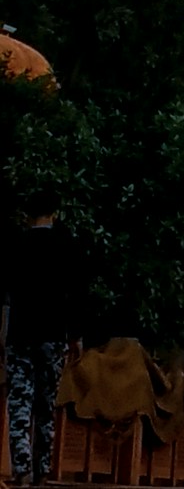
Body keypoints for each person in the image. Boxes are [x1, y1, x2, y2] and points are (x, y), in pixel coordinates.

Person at [2, 207, 80, 486]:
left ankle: (21, 466)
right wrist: (75, 336)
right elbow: (75, 294)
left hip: (20, 334)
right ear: (55, 213)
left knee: (20, 402)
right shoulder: (65, 246)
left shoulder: (16, 245)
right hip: (53, 334)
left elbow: (7, 296)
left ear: (27, 214)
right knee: (46, 404)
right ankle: (42, 465)